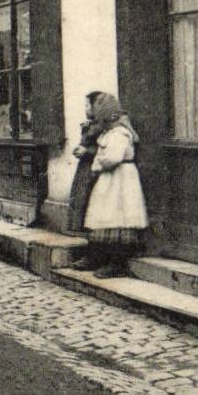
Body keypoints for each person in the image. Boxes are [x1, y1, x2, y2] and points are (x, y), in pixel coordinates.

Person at [75, 91, 149, 277]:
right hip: (111, 179)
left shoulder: (120, 134)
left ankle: (117, 263)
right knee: (106, 216)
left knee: (118, 218)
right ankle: (102, 258)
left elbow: (112, 158)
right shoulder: (111, 133)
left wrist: (98, 161)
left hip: (120, 180)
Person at [67, 92, 105, 235]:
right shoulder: (91, 125)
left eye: (87, 105)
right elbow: (85, 142)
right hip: (84, 167)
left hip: (94, 169)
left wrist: (87, 151)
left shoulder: (102, 126)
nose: (85, 109)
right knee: (80, 199)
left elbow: (105, 148)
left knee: (89, 201)